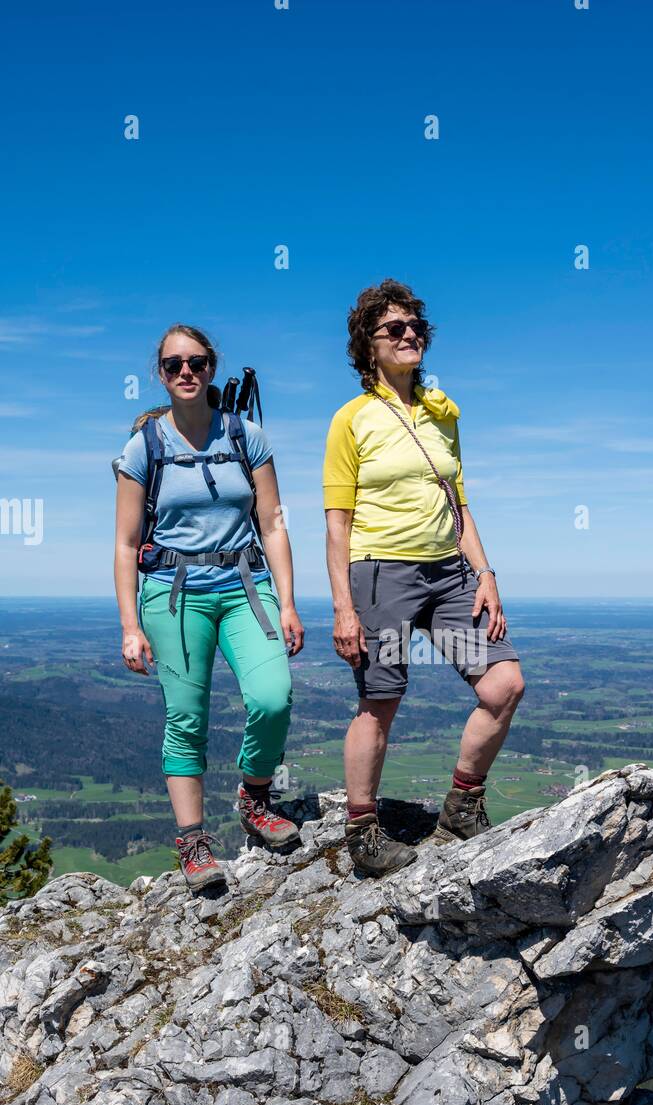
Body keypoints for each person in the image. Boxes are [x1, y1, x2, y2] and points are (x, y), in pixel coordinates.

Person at [323, 279, 525, 877]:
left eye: (415, 327)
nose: (409, 335)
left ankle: (463, 805)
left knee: (503, 685)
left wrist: (485, 574)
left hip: (448, 576)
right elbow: (338, 524)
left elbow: (457, 503)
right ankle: (361, 832)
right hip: (382, 575)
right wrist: (343, 607)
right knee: (380, 699)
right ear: (368, 346)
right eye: (393, 329)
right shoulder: (351, 421)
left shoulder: (442, 414)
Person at [113, 324, 304, 892]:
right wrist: (129, 626)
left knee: (273, 696)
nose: (186, 372)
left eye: (195, 362)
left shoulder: (248, 436)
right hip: (171, 591)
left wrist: (288, 601)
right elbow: (125, 544)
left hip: (246, 584)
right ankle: (193, 840)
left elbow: (272, 522)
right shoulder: (143, 446)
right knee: (186, 716)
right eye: (173, 365)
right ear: (162, 374)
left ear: (212, 367)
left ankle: (254, 794)